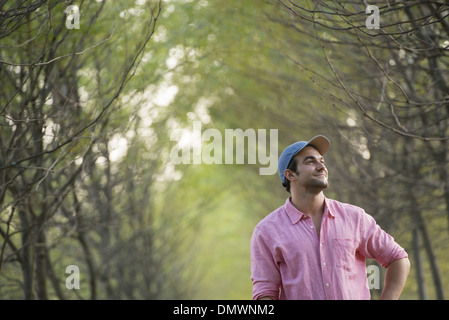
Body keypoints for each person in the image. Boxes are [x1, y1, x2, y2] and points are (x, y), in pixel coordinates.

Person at [250, 135, 410, 300]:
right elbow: (265, 293)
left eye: (322, 161)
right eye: (310, 162)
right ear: (291, 175)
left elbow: (397, 258)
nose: (321, 167)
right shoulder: (267, 231)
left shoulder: (354, 218)